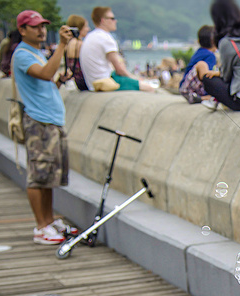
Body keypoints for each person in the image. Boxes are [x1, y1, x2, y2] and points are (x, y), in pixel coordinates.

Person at [12, 10, 79, 245]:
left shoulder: (37, 53)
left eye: (42, 26)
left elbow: (46, 82)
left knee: (49, 176)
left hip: (51, 120)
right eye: (34, 27)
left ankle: (49, 221)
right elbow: (45, 73)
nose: (41, 30)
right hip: (38, 121)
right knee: (38, 176)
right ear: (22, 30)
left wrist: (60, 81)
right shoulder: (22, 54)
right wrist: (61, 45)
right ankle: (40, 227)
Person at [80, 6, 153, 92]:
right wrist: (134, 79)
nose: (115, 21)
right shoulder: (106, 38)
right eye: (112, 18)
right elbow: (119, 70)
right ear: (103, 20)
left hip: (92, 83)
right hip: (107, 81)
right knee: (149, 88)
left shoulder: (90, 36)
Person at [179, 25, 217, 104]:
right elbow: (207, 76)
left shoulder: (199, 52)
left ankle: (201, 98)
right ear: (213, 41)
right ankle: (205, 97)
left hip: (185, 88)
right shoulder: (210, 55)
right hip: (192, 89)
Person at [61, 14, 89, 90]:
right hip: (84, 81)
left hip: (76, 81)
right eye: (85, 26)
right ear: (79, 28)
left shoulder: (68, 43)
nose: (88, 29)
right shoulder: (79, 44)